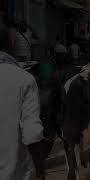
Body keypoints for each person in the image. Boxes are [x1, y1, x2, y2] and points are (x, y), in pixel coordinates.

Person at [0, 29, 47, 180]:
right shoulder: (24, 79)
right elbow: (32, 133)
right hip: (13, 172)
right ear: (12, 44)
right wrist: (40, 171)